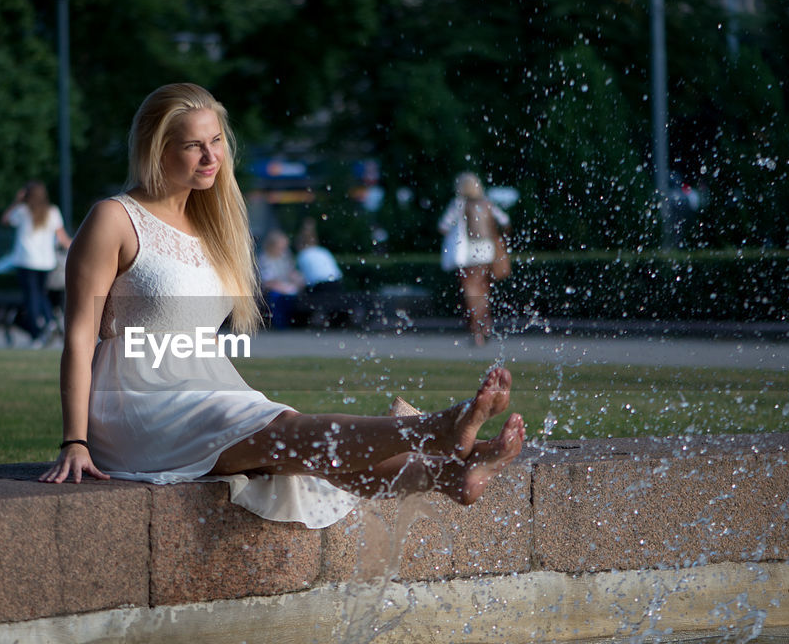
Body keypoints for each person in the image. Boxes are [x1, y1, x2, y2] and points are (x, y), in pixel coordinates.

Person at [39, 83, 525, 528]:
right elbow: (79, 338)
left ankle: (449, 475)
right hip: (136, 404)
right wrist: (75, 441)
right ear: (155, 148)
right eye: (193, 145)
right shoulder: (115, 218)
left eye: (217, 141)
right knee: (288, 434)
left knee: (300, 456)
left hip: (205, 387)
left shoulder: (212, 227)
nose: (211, 157)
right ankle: (438, 429)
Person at [438, 172, 512, 346]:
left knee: (471, 291)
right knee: (484, 291)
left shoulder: (459, 204)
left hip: (468, 252)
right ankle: (486, 326)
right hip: (487, 251)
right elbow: (505, 220)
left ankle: (477, 330)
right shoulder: (487, 203)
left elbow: (443, 226)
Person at [2, 181, 72, 348]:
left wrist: (17, 201)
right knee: (40, 294)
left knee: (31, 297)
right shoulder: (52, 211)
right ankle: (49, 321)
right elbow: (63, 238)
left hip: (26, 261)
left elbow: (4, 220)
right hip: (46, 262)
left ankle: (38, 332)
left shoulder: (22, 211)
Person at [256, 229, 303, 329]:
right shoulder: (264, 259)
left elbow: (291, 272)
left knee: (291, 297)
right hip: (270, 289)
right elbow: (267, 281)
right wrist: (282, 287)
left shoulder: (284, 257)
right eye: (281, 247)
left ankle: (290, 323)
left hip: (286, 287)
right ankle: (280, 325)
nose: (283, 249)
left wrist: (297, 279)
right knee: (277, 297)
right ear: (273, 246)